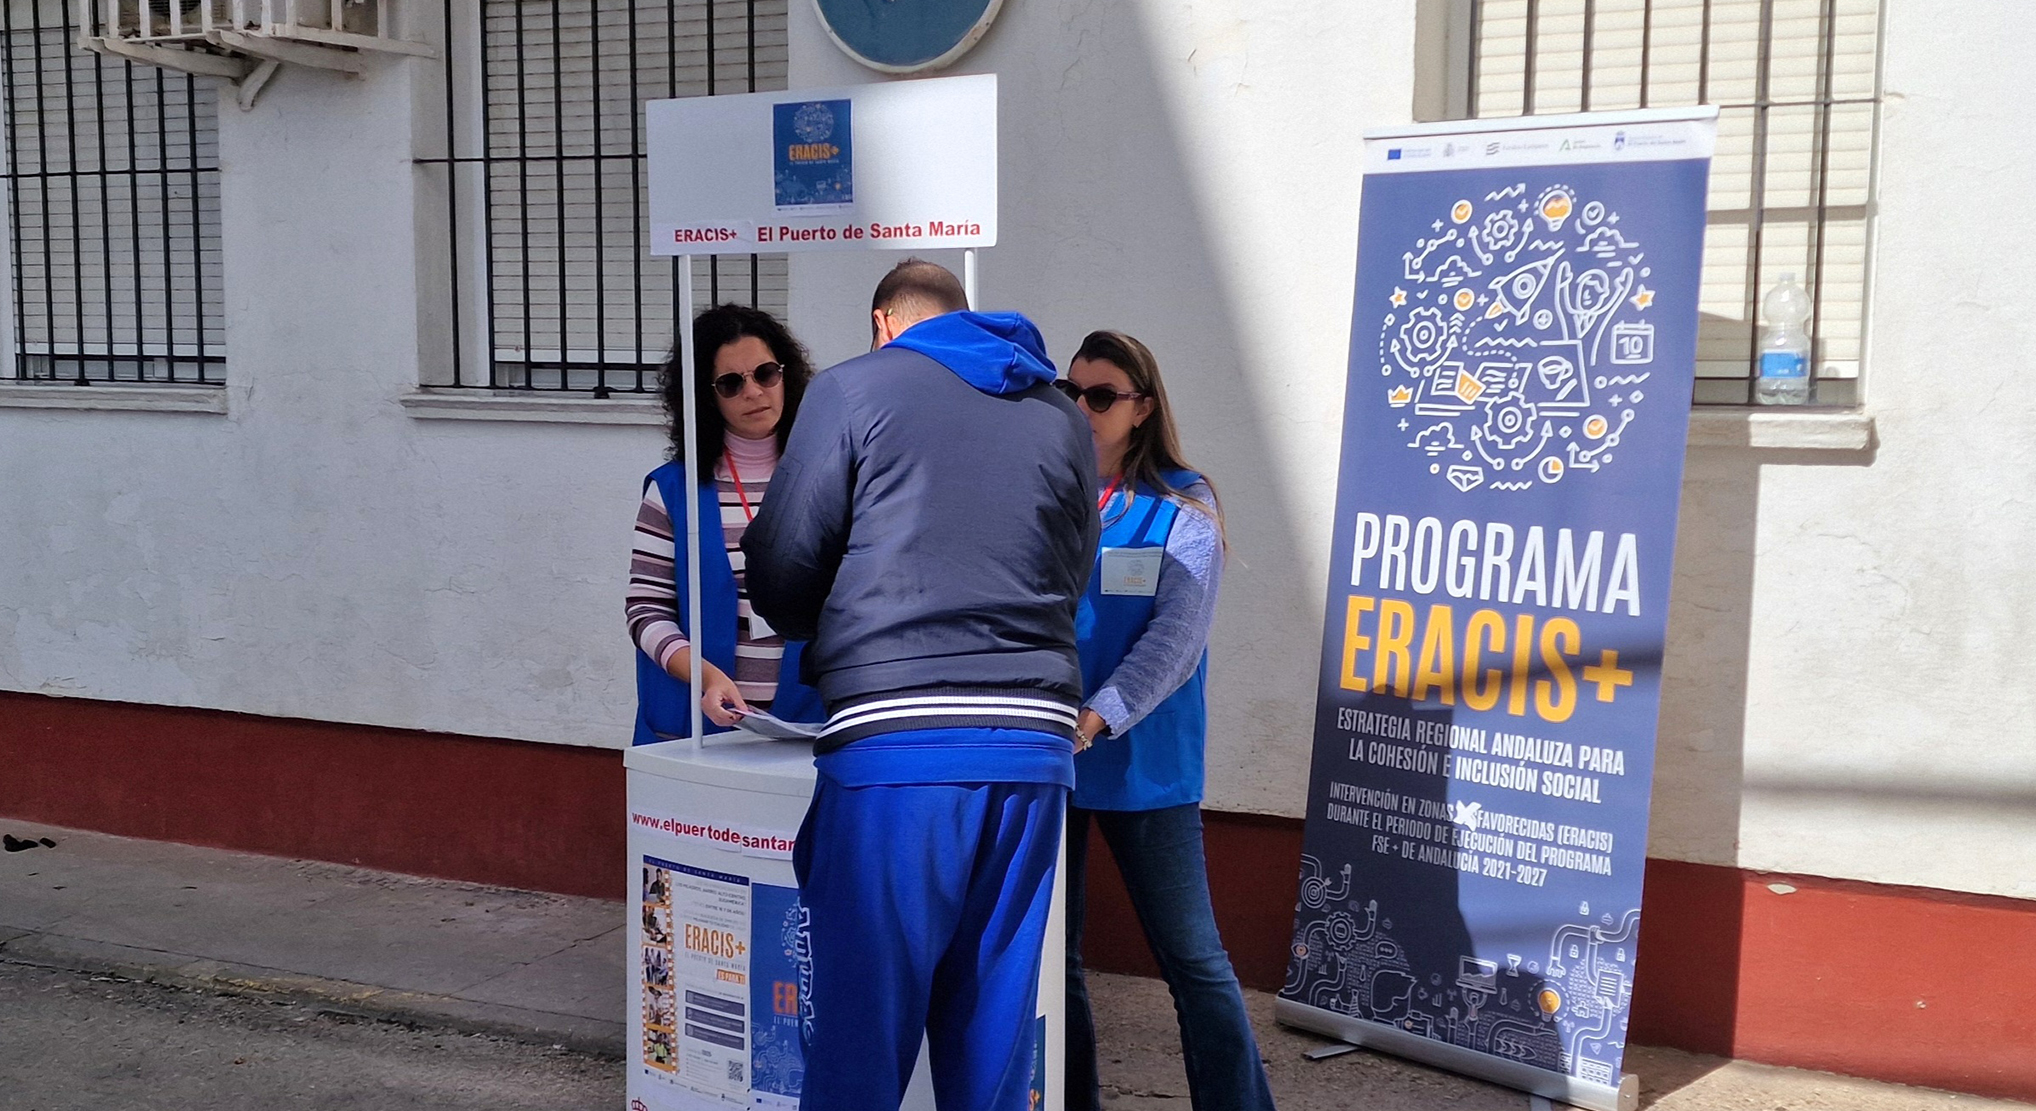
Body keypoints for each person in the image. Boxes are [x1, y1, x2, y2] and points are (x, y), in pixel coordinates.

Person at [743, 259, 1099, 1111]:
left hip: (897, 751)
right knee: (992, 1039)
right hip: (1032, 749)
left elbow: (784, 570)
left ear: (883, 325)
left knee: (860, 1039)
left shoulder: (849, 391)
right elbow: (1072, 566)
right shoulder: (1058, 413)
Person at [1056, 331, 1275, 1111]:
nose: (1081, 407)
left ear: (1142, 408)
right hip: (1055, 757)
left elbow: (1175, 642)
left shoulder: (1185, 500)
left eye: (1102, 395)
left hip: (1142, 763)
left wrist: (1095, 717)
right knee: (1059, 960)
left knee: (1193, 959)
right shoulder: (1055, 492)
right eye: (1070, 390)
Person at [626, 303, 826, 745]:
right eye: (731, 383)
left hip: (812, 723)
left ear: (786, 375)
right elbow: (646, 612)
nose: (754, 392)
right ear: (705, 397)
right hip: (698, 723)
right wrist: (706, 677)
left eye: (765, 373)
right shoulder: (672, 490)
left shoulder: (832, 479)